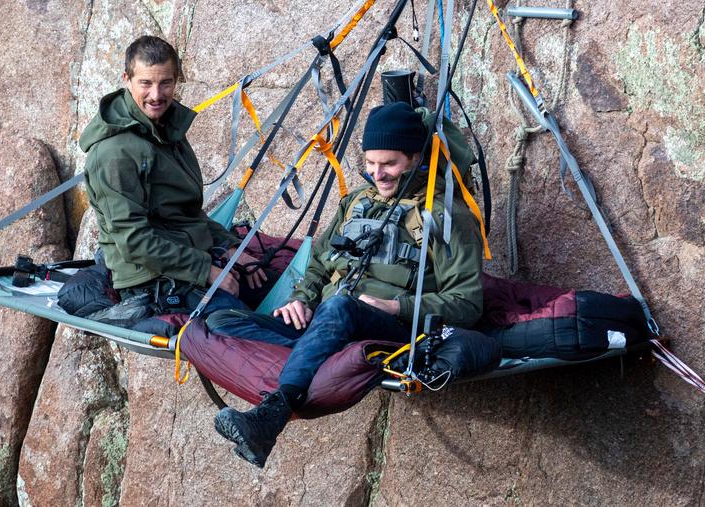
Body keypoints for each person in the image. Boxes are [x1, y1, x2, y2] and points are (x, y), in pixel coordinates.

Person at [209, 101, 484, 468]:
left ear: (416, 158)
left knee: (339, 306)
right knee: (220, 322)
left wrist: (394, 307)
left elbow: (467, 303)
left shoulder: (446, 217)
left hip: (392, 329)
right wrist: (302, 299)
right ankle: (316, 350)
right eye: (371, 164)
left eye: (389, 164)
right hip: (326, 321)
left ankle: (272, 415)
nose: (378, 174)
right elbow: (320, 262)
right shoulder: (356, 202)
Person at [79, 35, 265, 320]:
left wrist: (229, 249)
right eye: (146, 83)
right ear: (126, 79)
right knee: (242, 323)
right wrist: (206, 271)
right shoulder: (114, 153)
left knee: (276, 288)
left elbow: (185, 215)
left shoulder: (165, 129)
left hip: (187, 257)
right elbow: (134, 241)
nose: (156, 94)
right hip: (148, 279)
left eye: (165, 82)